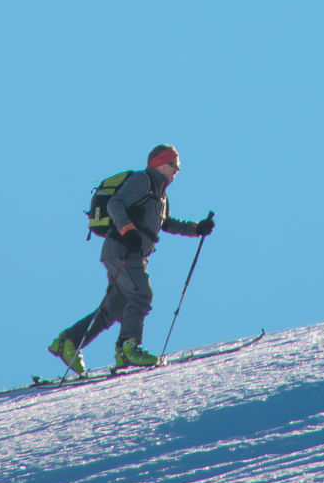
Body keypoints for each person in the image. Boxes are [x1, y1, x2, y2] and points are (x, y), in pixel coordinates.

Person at [48, 144, 215, 373]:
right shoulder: (142, 180)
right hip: (122, 249)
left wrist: (197, 228)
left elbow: (165, 223)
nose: (177, 170)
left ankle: (69, 341)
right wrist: (128, 231)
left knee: (115, 306)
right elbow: (115, 204)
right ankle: (128, 348)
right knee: (141, 294)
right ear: (159, 163)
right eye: (173, 164)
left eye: (177, 165)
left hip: (128, 252)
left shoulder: (160, 193)